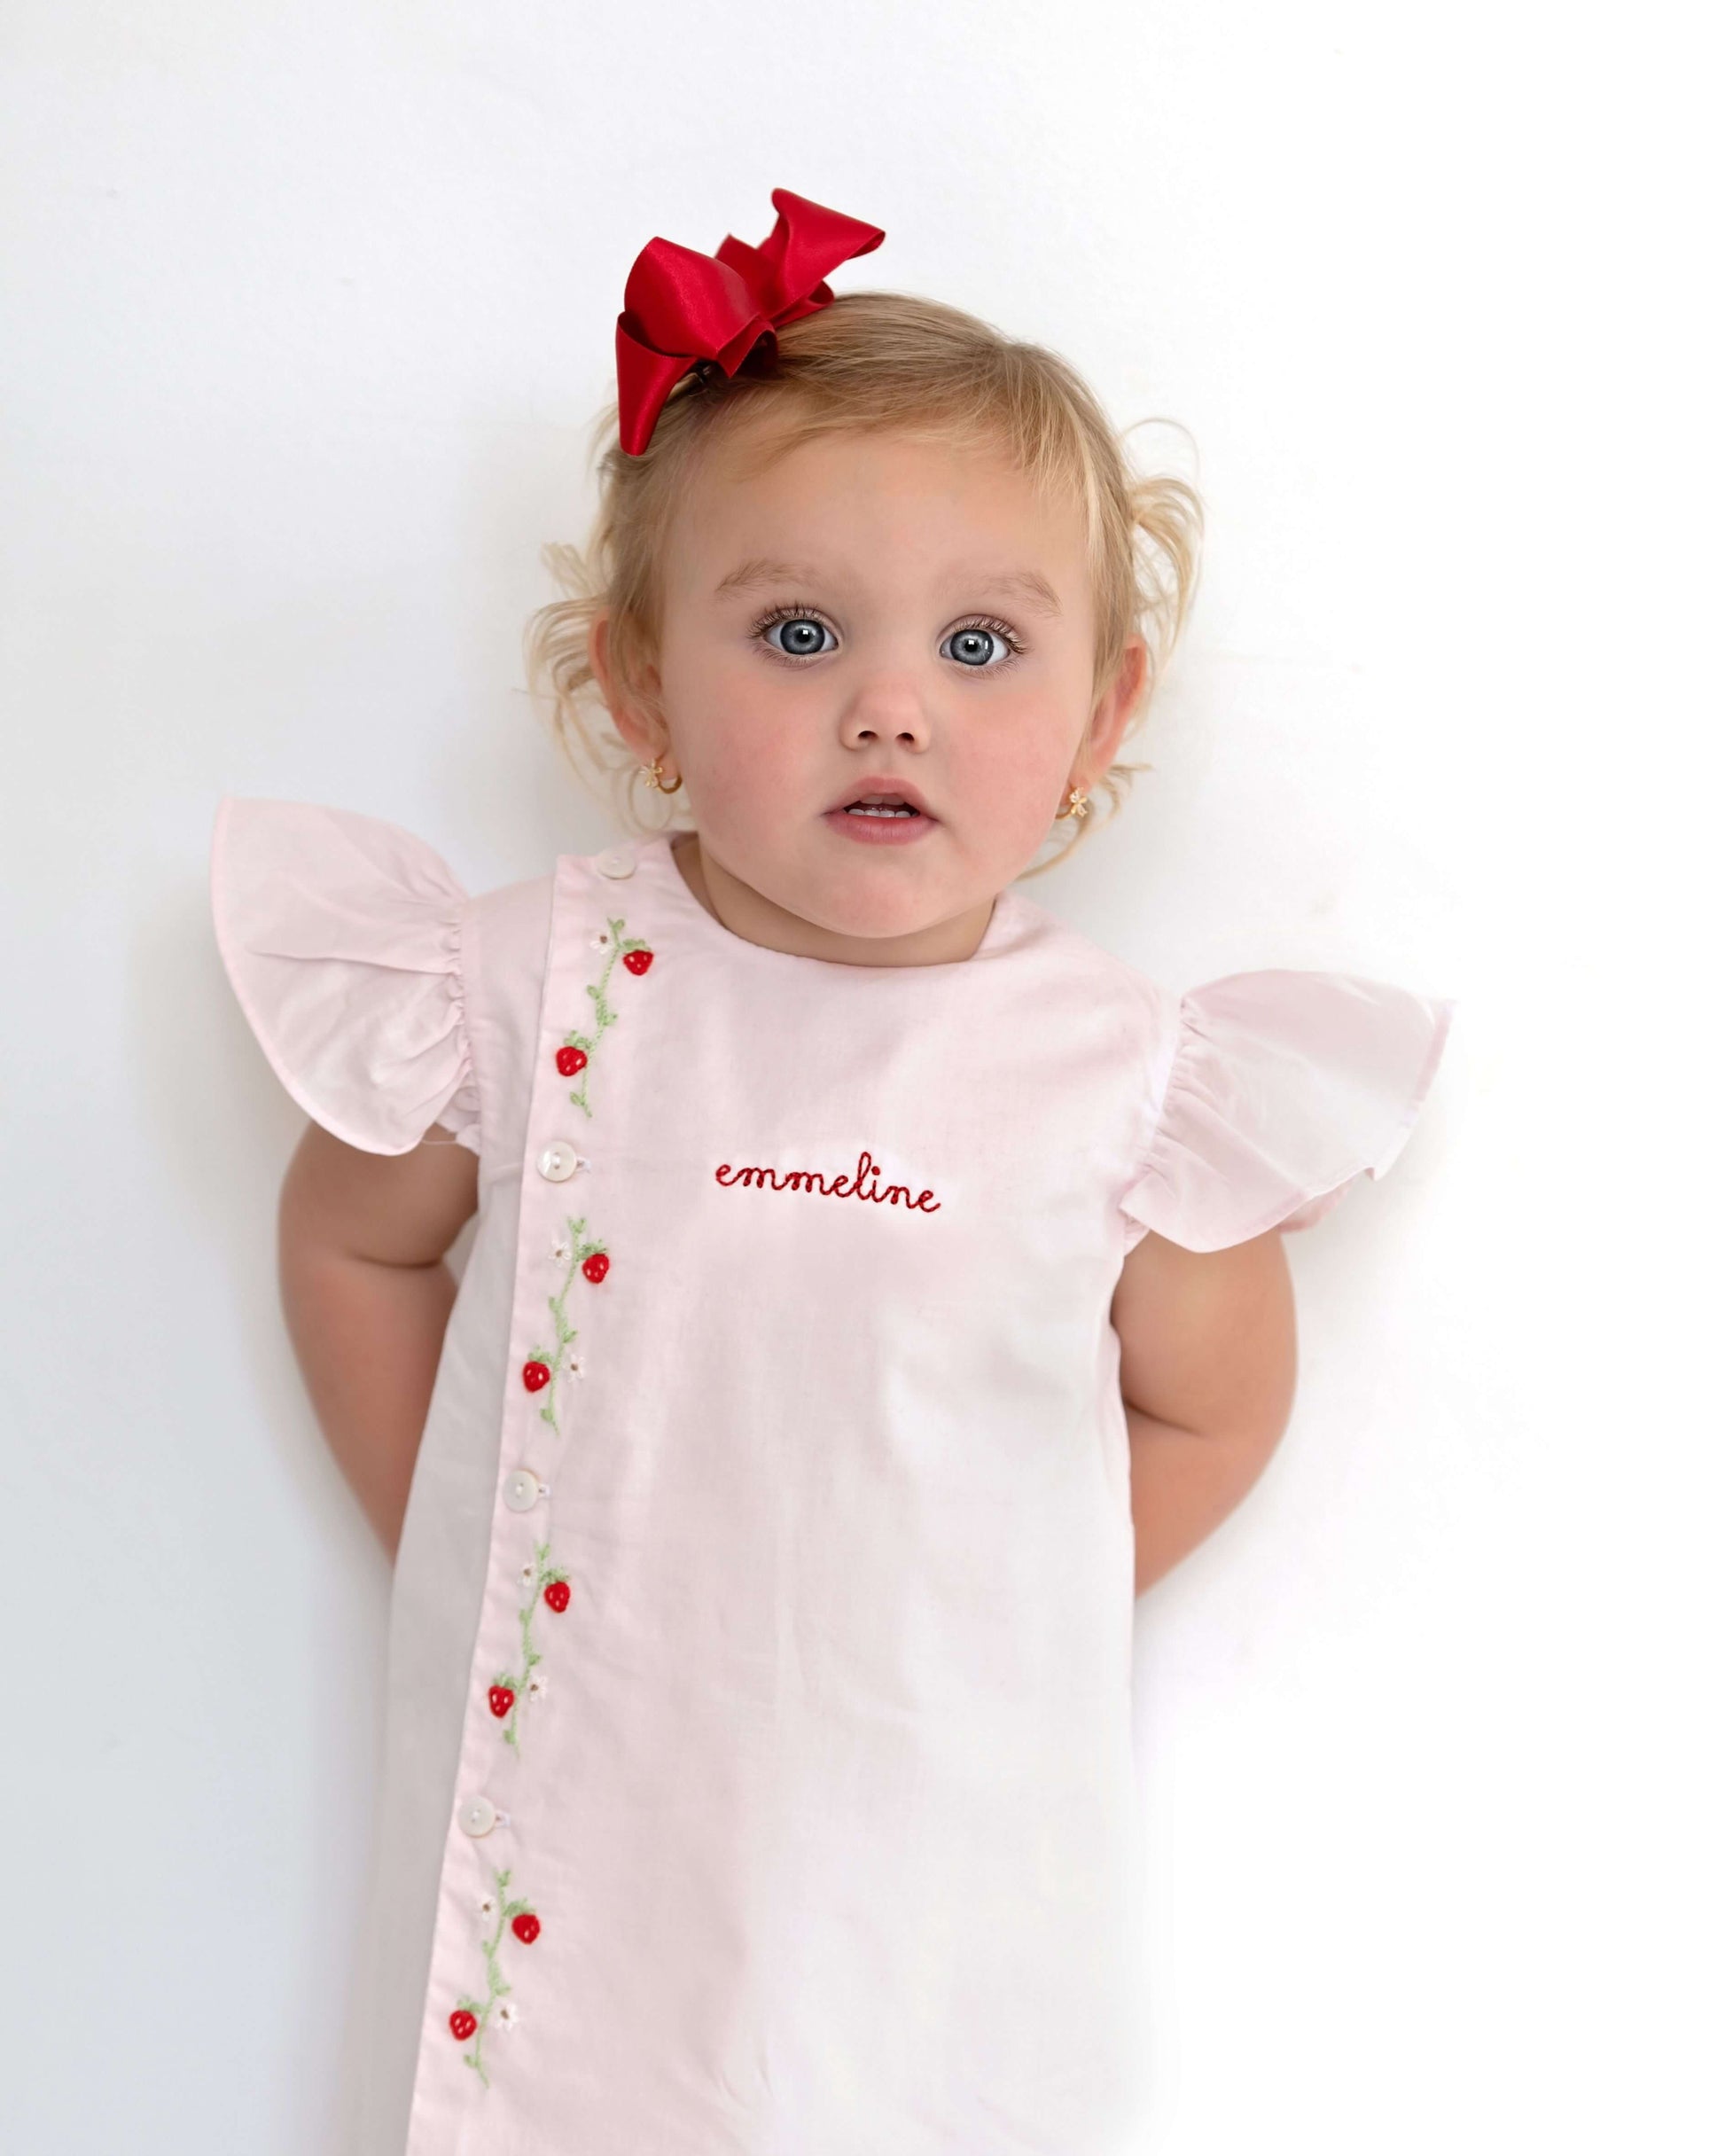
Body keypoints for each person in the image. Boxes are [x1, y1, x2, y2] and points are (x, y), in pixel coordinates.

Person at [210, 187, 1452, 2156]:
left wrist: (990, 1607)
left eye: (980, 643)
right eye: (798, 632)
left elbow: (1214, 1396)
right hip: (580, 1778)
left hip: (928, 1823)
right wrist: (473, 1544)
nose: (891, 702)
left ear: (1100, 715)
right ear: (637, 687)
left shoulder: (1120, 1075)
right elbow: (355, 1246)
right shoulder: (533, 982)